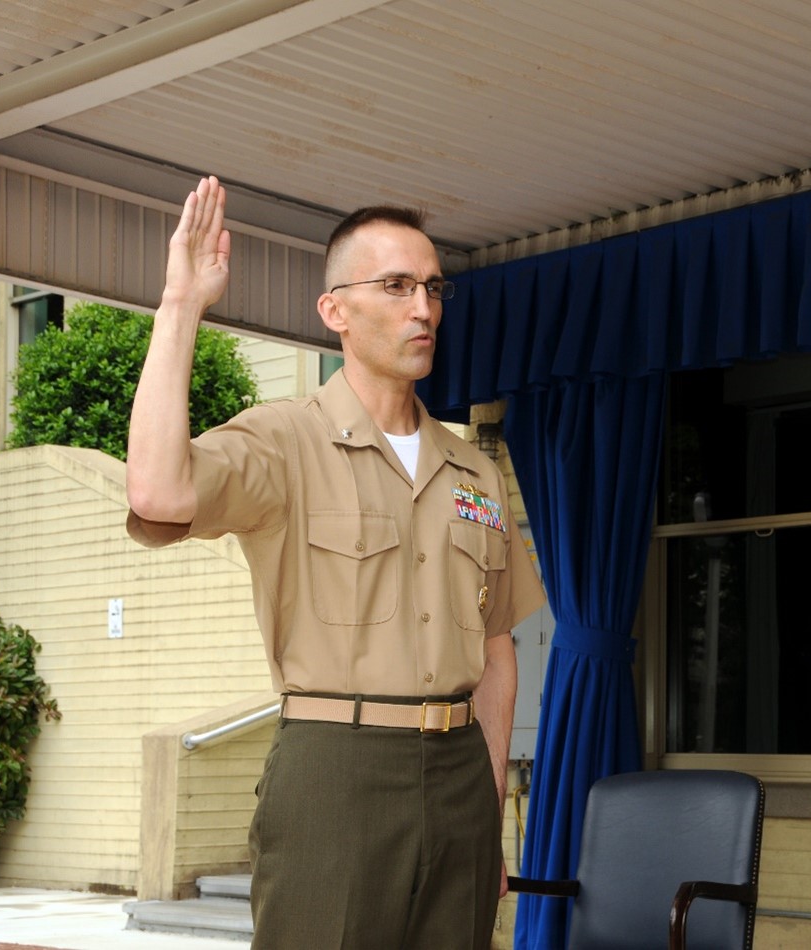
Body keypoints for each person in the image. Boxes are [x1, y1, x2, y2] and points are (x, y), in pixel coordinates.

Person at [126, 177, 544, 950]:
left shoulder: (474, 471)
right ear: (335, 311)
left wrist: (485, 813)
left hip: (459, 777)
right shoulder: (285, 441)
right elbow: (159, 488)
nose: (423, 308)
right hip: (335, 770)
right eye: (395, 286)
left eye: (432, 287)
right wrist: (181, 305)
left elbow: (494, 651)